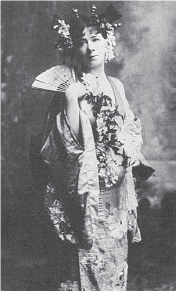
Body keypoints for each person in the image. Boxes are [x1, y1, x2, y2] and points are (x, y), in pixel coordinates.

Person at [30, 4, 155, 291]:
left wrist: (128, 149)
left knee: (113, 262)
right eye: (82, 41)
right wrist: (72, 101)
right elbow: (63, 145)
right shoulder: (67, 89)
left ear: (108, 42)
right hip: (84, 190)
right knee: (81, 261)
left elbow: (130, 126)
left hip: (115, 192)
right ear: (74, 46)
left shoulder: (115, 85)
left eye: (96, 39)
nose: (90, 48)